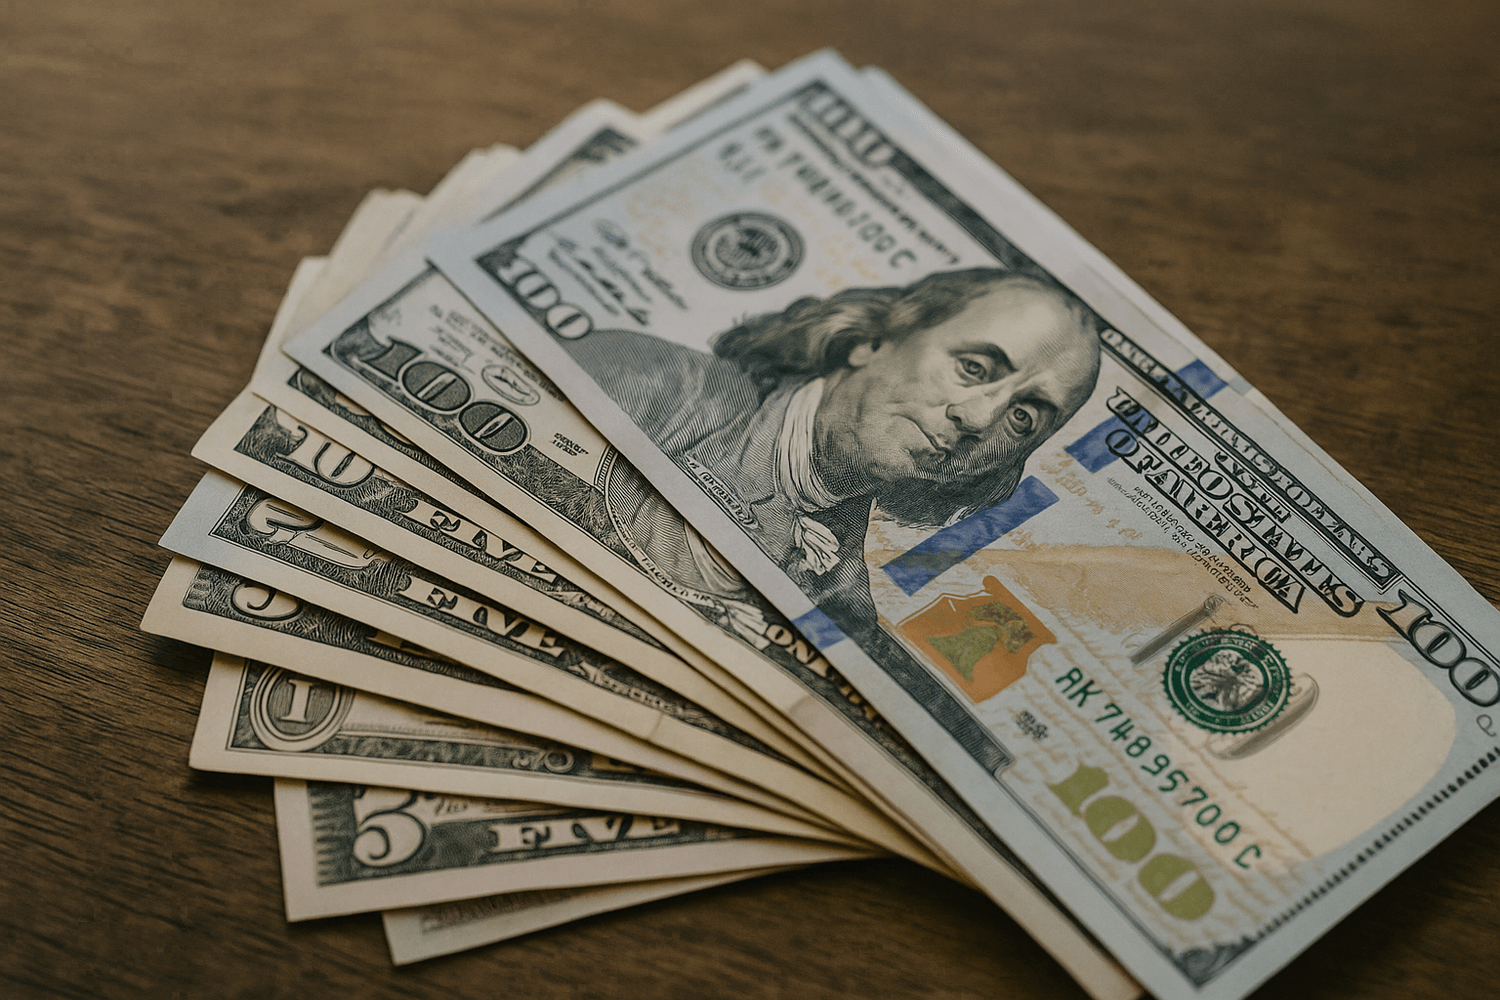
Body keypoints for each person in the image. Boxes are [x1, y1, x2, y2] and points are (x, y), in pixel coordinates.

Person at [568, 266, 1102, 652]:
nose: (980, 418)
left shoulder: (844, 613)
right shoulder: (637, 378)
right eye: (974, 368)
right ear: (873, 340)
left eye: (1023, 417)